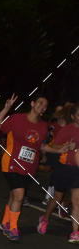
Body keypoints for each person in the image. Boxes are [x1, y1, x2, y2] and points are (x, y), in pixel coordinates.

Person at [0, 94, 48, 240]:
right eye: (40, 102)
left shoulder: (43, 126)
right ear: (33, 103)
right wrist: (7, 108)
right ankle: (13, 228)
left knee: (14, 195)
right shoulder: (17, 118)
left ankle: (5, 222)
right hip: (11, 162)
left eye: (45, 106)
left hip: (29, 168)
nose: (42, 106)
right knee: (19, 196)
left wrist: (58, 150)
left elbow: (41, 146)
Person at [37, 102, 79, 241]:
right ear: (73, 116)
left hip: (77, 169)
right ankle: (45, 219)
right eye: (78, 115)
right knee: (57, 198)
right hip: (64, 168)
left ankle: (75, 232)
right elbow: (54, 145)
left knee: (76, 201)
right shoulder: (67, 129)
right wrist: (66, 146)